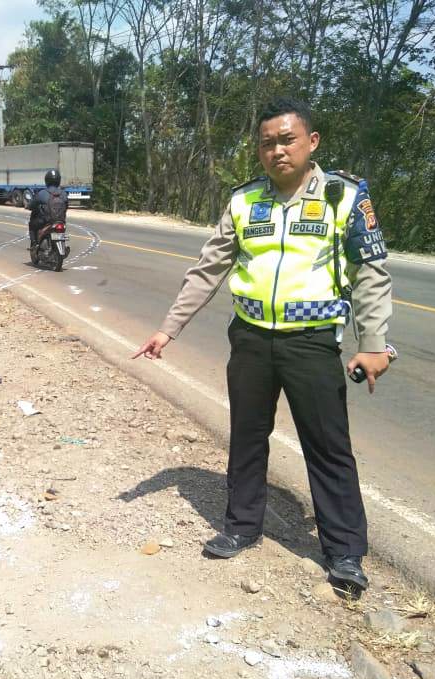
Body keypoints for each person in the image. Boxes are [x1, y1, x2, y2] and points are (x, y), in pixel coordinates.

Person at [133, 96, 392, 591]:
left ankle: (343, 552)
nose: (277, 151)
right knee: (247, 437)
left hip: (312, 343)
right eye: (267, 143)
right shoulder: (244, 201)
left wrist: (374, 342)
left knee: (328, 447)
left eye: (287, 140)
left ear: (311, 142)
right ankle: (241, 526)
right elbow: (208, 269)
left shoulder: (345, 197)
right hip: (251, 340)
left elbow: (371, 276)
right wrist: (169, 328)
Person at [28, 168, 69, 253]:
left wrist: (28, 206)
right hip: (61, 221)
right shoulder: (64, 193)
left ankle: (34, 244)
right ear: (58, 180)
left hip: (47, 221)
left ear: (47, 180)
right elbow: (66, 206)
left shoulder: (42, 193)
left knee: (32, 224)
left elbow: (32, 205)